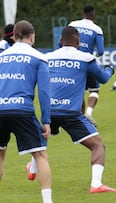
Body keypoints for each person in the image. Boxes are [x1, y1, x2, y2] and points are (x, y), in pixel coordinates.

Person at [26, 26, 116, 193]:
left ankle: (33, 169)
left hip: (49, 111)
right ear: (78, 42)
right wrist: (110, 69)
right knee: (98, 146)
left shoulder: (46, 58)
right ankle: (96, 184)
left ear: (60, 41)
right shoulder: (86, 58)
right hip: (70, 113)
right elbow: (103, 79)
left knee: (44, 136)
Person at [0, 20, 53, 203]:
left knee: (0, 155)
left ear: (13, 37)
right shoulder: (39, 57)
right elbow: (44, 93)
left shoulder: (1, 57)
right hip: (22, 111)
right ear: (33, 37)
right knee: (40, 155)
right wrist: (46, 120)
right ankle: (47, 201)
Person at [69, 5, 104, 126]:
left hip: (72, 63)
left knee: (79, 91)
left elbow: (61, 42)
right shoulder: (97, 29)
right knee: (94, 90)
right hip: (87, 62)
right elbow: (101, 51)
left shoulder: (72, 24)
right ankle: (88, 112)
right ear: (93, 14)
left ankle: (81, 117)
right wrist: (93, 55)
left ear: (82, 13)